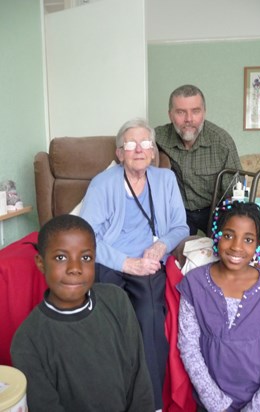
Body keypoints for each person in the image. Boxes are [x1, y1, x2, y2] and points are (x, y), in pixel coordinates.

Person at [80, 118, 189, 410]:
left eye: (145, 144)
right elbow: (86, 236)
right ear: (119, 153)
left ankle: (152, 402)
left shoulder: (166, 180)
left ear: (153, 151)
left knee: (149, 314)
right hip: (110, 260)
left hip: (150, 261)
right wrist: (125, 263)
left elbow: (181, 226)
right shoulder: (103, 183)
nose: (138, 150)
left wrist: (161, 245)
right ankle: (108, 398)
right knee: (107, 315)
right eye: (130, 144)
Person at [10, 214, 155, 412]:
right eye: (61, 257)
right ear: (41, 263)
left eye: (85, 258)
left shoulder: (117, 300)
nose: (75, 268)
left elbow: (139, 381)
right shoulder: (27, 340)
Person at [177, 201, 260, 412]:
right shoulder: (194, 284)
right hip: (210, 401)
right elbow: (189, 348)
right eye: (228, 235)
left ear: (258, 244)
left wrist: (257, 408)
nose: (236, 246)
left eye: (248, 239)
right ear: (217, 236)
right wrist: (216, 403)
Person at [155, 84, 242, 236]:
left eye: (195, 111)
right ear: (170, 114)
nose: (188, 119)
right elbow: (131, 146)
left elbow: (235, 192)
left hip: (213, 210)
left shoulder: (222, 142)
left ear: (204, 113)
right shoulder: (157, 137)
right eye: (181, 112)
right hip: (177, 211)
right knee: (171, 251)